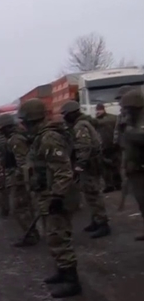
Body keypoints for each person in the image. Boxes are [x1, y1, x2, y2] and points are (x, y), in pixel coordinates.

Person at [19, 98, 81, 298]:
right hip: (48, 193)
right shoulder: (41, 137)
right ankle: (63, 271)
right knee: (53, 236)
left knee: (59, 236)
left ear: (31, 120)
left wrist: (57, 196)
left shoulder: (48, 138)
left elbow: (63, 171)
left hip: (56, 195)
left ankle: (72, 281)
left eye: (24, 121)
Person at [60, 100, 111, 239]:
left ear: (72, 114)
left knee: (93, 194)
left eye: (65, 115)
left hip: (89, 164)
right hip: (90, 163)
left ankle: (102, 224)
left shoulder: (80, 126)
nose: (64, 117)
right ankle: (96, 220)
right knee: (90, 193)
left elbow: (84, 147)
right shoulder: (82, 123)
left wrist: (79, 165)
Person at [0, 115, 40, 247]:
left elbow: (23, 163)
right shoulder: (15, 138)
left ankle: (31, 235)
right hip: (19, 177)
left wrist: (17, 177)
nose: (0, 132)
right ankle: (32, 233)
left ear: (8, 127)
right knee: (25, 207)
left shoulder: (15, 140)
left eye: (2, 129)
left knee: (20, 207)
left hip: (20, 179)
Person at [118, 89, 144, 241]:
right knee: (141, 202)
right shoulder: (130, 120)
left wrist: (130, 133)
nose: (124, 111)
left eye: (127, 108)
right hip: (135, 169)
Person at [95, 103, 122, 192]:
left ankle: (110, 185)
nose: (98, 111)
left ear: (102, 109)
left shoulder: (99, 121)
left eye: (99, 110)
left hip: (107, 146)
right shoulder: (114, 118)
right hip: (112, 145)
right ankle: (117, 184)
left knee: (107, 167)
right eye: (97, 110)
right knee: (114, 166)